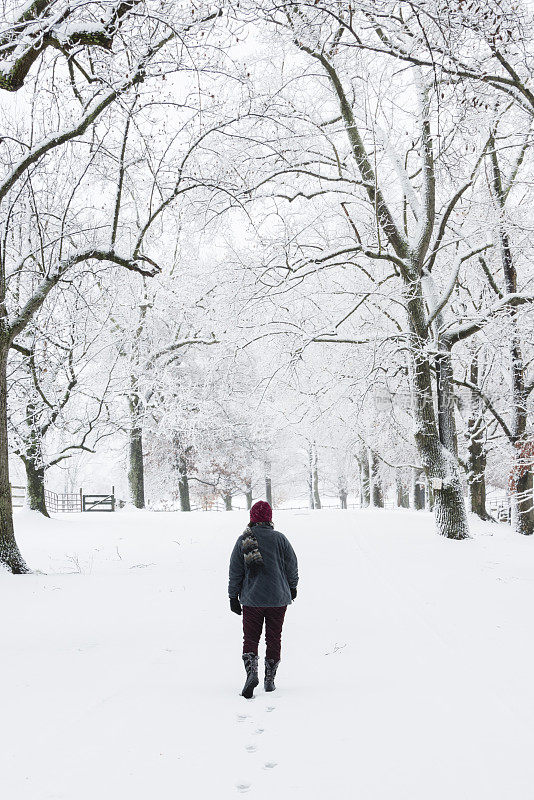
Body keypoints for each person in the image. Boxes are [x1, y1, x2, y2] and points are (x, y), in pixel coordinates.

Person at [228, 500, 299, 698]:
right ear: (270, 518)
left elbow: (235, 571)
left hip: (252, 599)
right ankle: (270, 679)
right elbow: (292, 566)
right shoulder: (280, 539)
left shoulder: (244, 539)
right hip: (278, 599)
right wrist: (292, 587)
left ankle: (251, 673)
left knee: (251, 638)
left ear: (252, 518)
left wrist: (233, 596)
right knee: (274, 637)